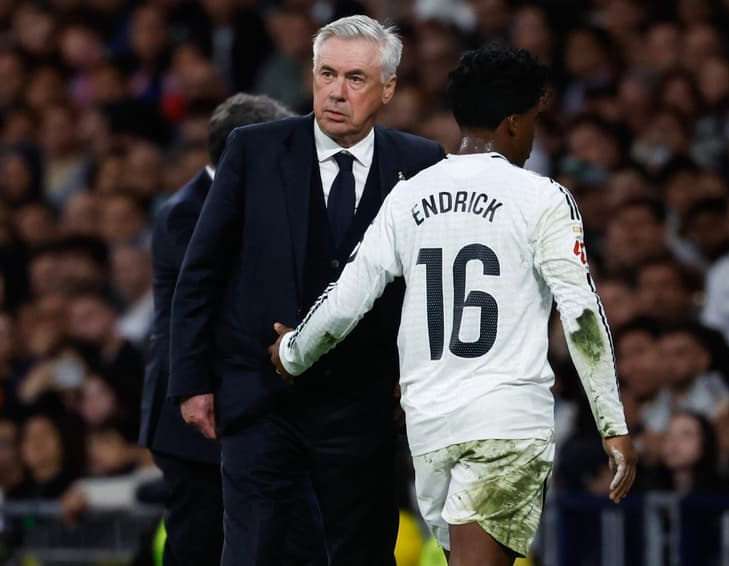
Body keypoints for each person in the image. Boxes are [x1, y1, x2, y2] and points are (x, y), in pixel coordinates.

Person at [270, 44, 636, 565]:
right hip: (504, 421)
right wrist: (613, 423)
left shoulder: (406, 197)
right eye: (532, 120)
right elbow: (580, 315)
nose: (534, 136)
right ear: (512, 123)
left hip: (430, 425)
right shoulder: (542, 198)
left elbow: (346, 298)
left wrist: (292, 352)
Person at [168, 15, 445, 566]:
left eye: (356, 79)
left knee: (362, 553)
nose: (336, 92)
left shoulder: (421, 163)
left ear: (388, 88)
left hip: (364, 403)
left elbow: (430, 287)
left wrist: (418, 382)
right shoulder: (253, 149)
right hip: (260, 398)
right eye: (326, 74)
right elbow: (202, 271)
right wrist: (192, 382)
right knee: (251, 552)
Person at [139, 93, 305, 566]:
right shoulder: (186, 213)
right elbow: (222, 302)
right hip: (193, 415)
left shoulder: (239, 203)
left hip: (240, 405)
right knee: (199, 545)